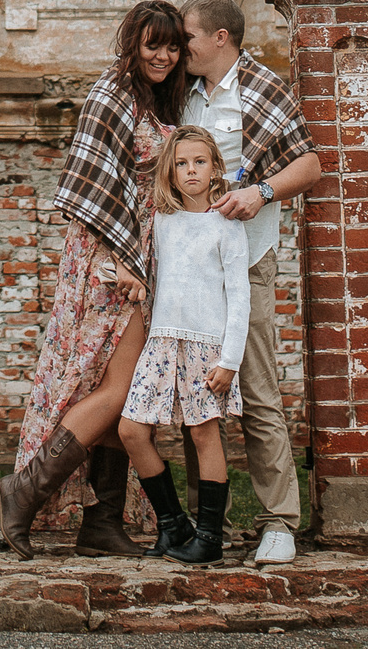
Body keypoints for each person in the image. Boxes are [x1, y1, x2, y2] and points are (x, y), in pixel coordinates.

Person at [0, 0, 185, 557]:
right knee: (120, 388)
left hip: (139, 258)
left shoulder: (152, 101)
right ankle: (23, 491)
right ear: (133, 43)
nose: (164, 56)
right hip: (109, 257)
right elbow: (91, 187)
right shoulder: (112, 93)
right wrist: (126, 260)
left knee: (117, 392)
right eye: (154, 44)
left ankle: (100, 525)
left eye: (173, 46)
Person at [177, 0, 321, 566]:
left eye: (186, 37)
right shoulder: (181, 96)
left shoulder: (263, 87)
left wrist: (260, 192)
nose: (177, 47)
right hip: (188, 267)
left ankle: (279, 522)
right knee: (194, 393)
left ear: (220, 38)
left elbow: (309, 163)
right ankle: (205, 520)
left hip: (246, 261)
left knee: (256, 389)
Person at [115, 126, 248, 564]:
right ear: (170, 172)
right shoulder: (162, 221)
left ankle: (208, 538)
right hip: (161, 342)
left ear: (215, 169)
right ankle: (173, 524)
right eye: (181, 163)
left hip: (207, 346)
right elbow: (136, 258)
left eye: (200, 162)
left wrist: (230, 360)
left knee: (204, 434)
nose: (191, 171)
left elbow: (240, 298)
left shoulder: (227, 225)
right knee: (131, 430)